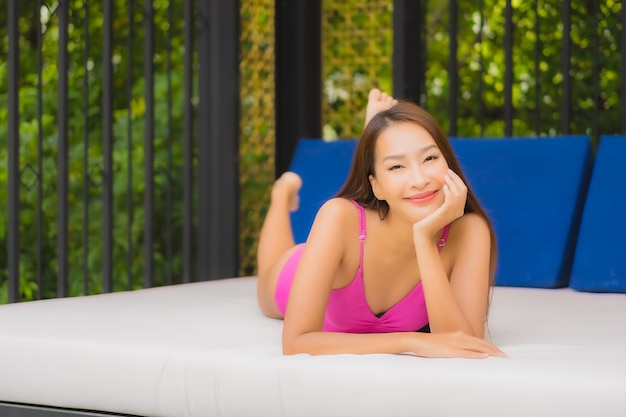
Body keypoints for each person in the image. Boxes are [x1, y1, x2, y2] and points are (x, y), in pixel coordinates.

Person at [256, 88, 506, 359]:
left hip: (377, 218)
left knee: (394, 180)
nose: (420, 179)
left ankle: (379, 147)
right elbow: (295, 344)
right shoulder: (338, 215)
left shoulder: (469, 231)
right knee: (270, 267)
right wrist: (411, 342)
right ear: (375, 186)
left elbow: (463, 343)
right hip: (298, 273)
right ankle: (282, 194)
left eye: (430, 158)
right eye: (397, 166)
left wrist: (424, 239)